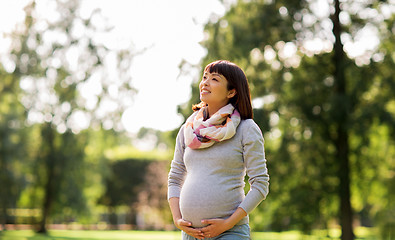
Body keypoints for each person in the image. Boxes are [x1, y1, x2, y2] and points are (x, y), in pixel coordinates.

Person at [168, 60, 269, 240]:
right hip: (191, 234)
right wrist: (177, 219)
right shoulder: (188, 129)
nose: (205, 82)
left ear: (231, 91)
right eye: (204, 77)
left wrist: (227, 223)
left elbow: (260, 184)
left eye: (214, 79)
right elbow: (175, 178)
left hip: (230, 232)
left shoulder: (246, 129)